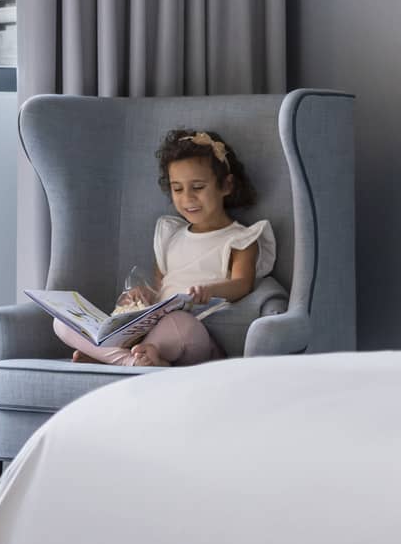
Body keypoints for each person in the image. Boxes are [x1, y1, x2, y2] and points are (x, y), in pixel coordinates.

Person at [53, 128, 274, 369]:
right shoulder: (171, 235)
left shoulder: (240, 239)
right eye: (177, 189)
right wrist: (143, 297)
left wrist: (210, 291)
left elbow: (243, 284)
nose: (187, 198)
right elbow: (159, 289)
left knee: (179, 323)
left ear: (226, 185)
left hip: (194, 333)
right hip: (152, 332)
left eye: (198, 187)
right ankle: (134, 361)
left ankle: (114, 359)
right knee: (62, 322)